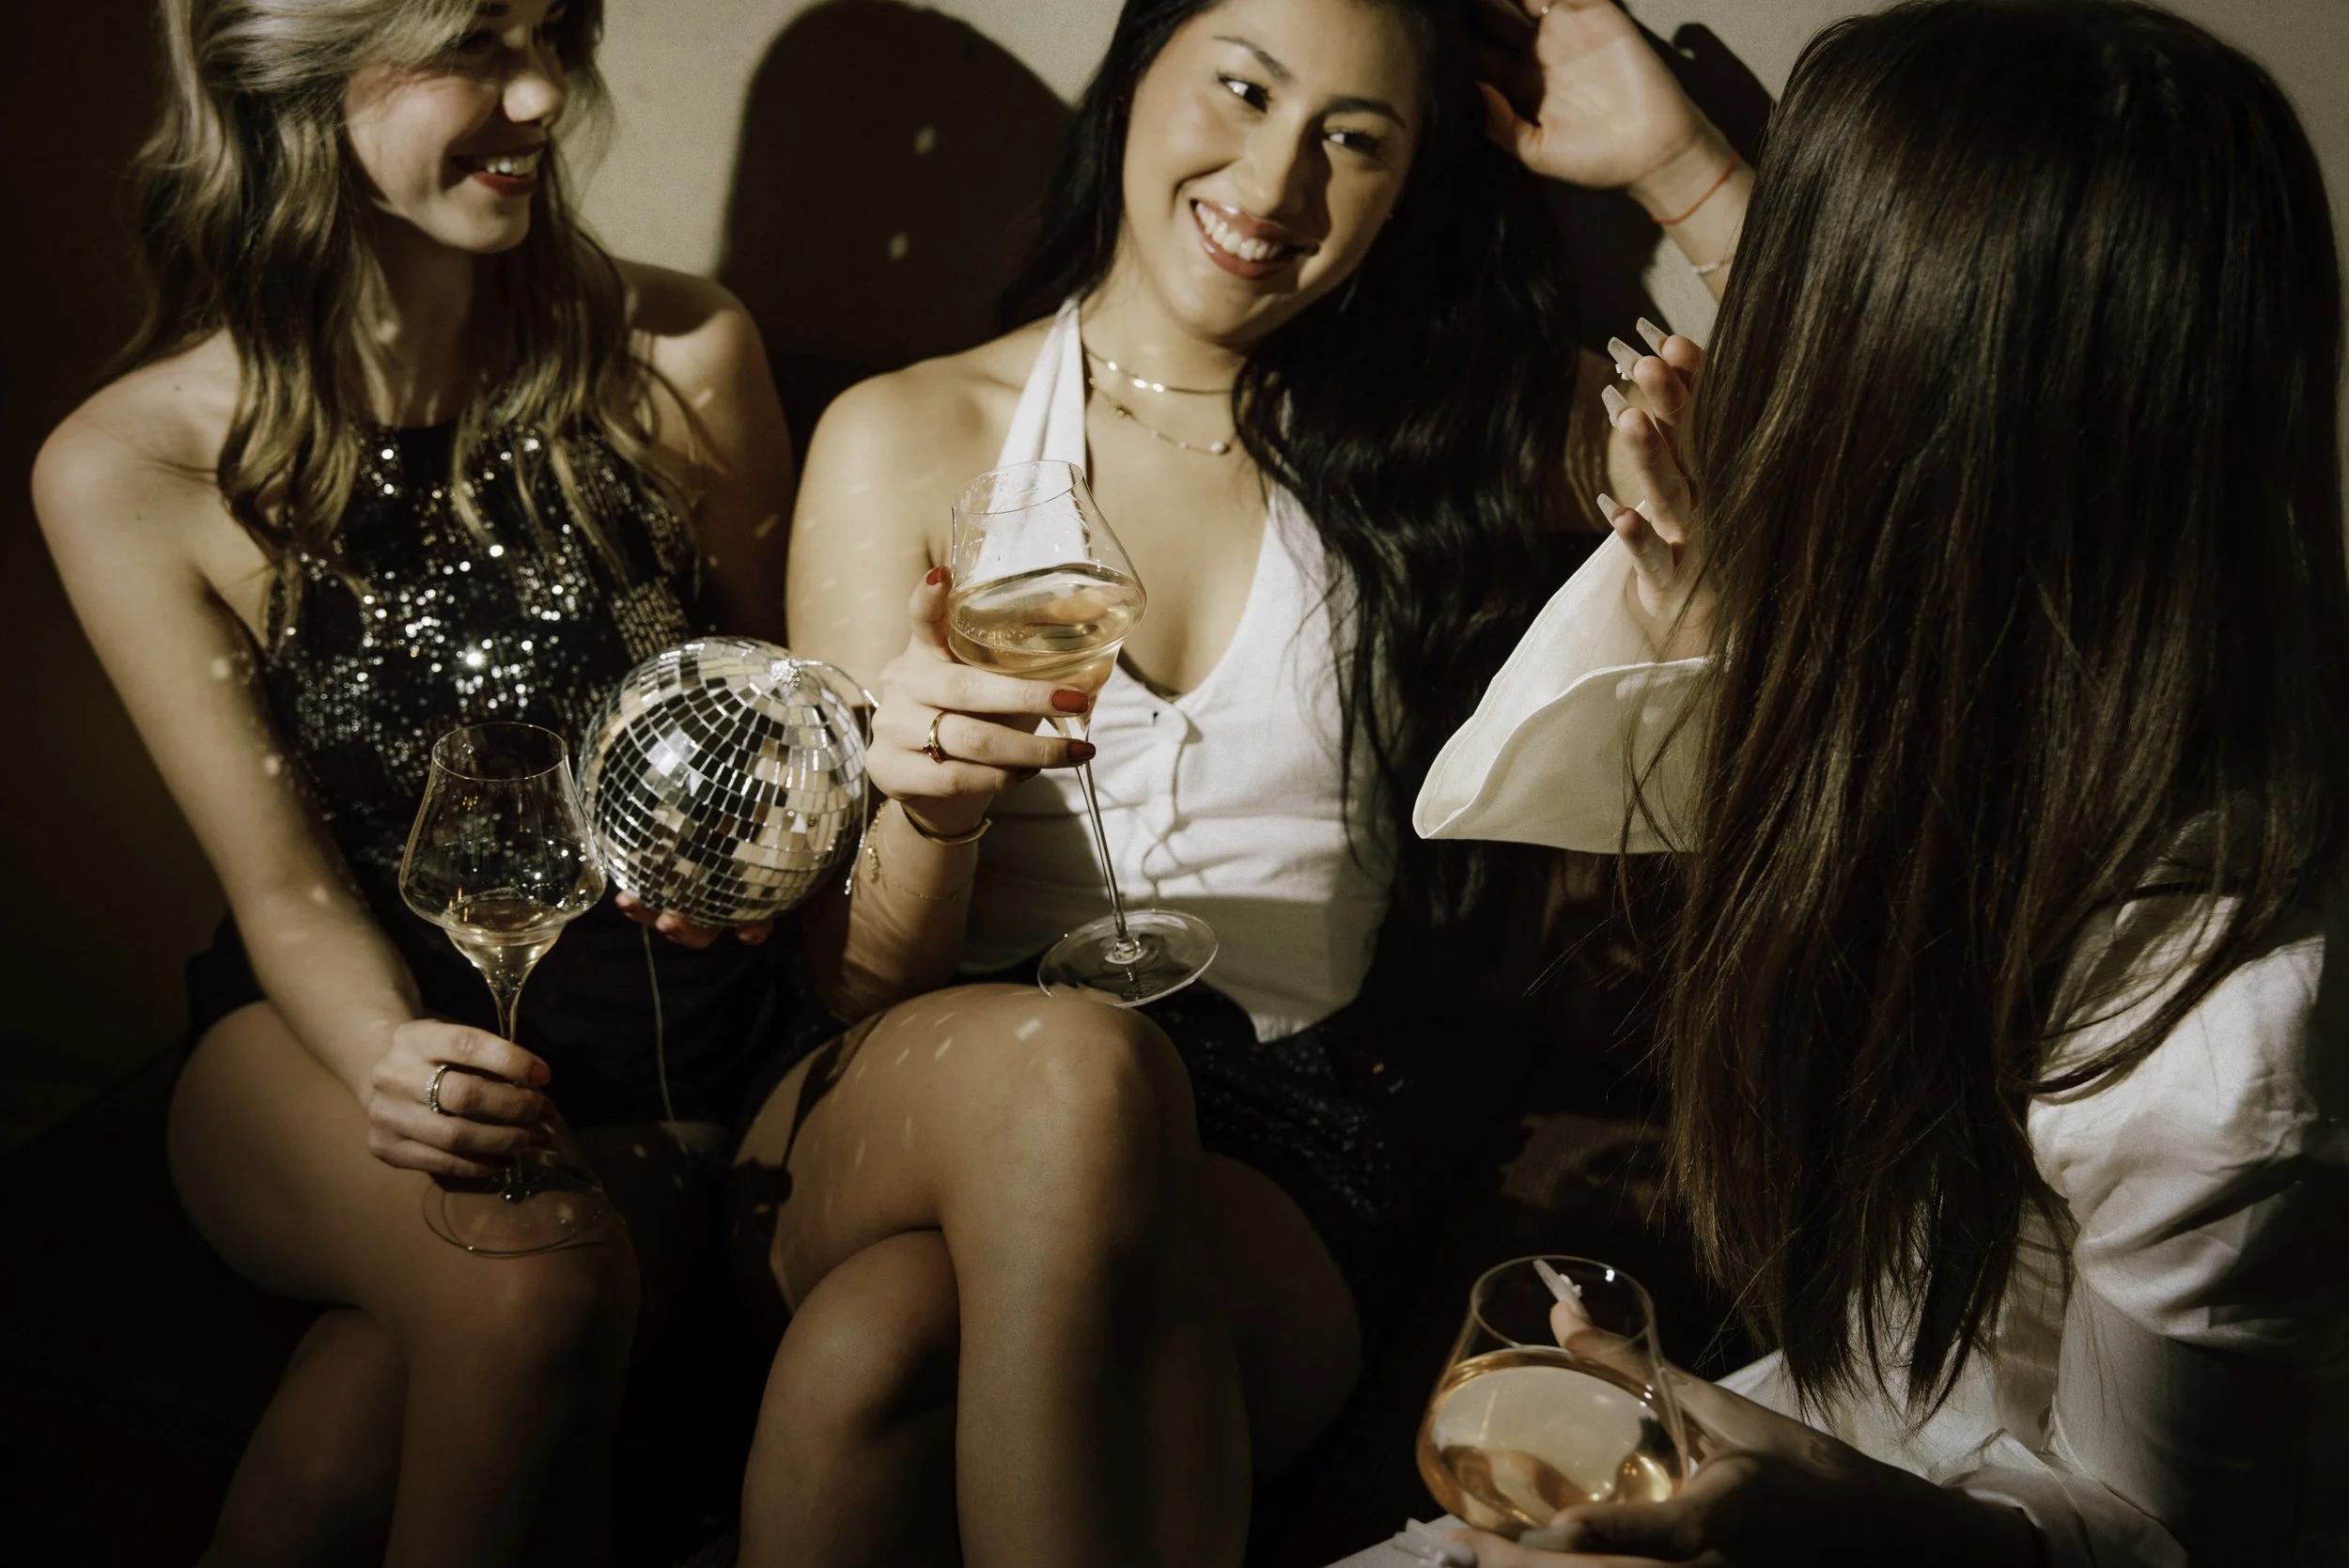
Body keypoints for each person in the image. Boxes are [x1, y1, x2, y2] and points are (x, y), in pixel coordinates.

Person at [723, 1, 1752, 1563]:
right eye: (1244, 90)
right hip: (905, 1081)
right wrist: (931, 816)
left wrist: (1679, 165)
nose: (1274, 186)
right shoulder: (911, 435)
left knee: (872, 1349)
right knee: (1075, 1072)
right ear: (1138, 75)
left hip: (1283, 1121)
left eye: (1353, 139)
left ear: (1410, 188)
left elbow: (1890, 444)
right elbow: (861, 981)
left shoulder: (1447, 447)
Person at [1414, 2, 2348, 1563]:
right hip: (1853, 1406)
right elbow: (1994, 367)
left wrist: (1841, 1525)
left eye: (1809, 319)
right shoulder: (2006, 645)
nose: (1751, 354)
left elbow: (2179, 1537)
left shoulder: (2219, 1025)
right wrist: (1681, 166)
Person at [32, 0, 795, 1562]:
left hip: (650, 1066)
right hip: (316, 1053)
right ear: (290, 74)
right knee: (526, 1278)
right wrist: (396, 1060)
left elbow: (770, 731)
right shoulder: (132, 465)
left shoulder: (681, 355)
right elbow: (281, 886)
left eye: (554, 33)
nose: (541, 95)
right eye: (473, 43)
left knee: (404, 1391)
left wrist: (777, 830)